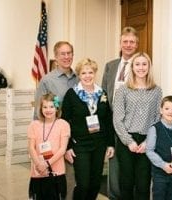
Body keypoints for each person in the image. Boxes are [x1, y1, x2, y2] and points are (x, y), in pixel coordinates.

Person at [61, 58, 115, 200]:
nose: (87, 76)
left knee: (95, 183)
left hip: (99, 144)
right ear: (78, 75)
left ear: (95, 73)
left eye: (90, 72)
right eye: (83, 73)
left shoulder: (102, 93)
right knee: (83, 184)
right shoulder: (71, 94)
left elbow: (108, 120)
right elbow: (64, 122)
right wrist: (67, 147)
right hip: (80, 145)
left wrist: (110, 144)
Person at [113, 52, 162, 200]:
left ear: (149, 67)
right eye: (137, 64)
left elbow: (157, 118)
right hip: (126, 139)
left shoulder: (156, 91)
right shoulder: (123, 90)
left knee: (143, 183)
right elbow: (117, 119)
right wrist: (129, 141)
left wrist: (148, 142)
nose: (141, 68)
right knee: (126, 182)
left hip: (147, 141)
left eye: (144, 64)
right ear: (132, 67)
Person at [101, 26, 139, 200]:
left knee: (131, 165)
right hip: (112, 120)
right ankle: (114, 196)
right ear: (120, 43)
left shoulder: (140, 65)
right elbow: (103, 93)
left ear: (137, 44)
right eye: (125, 41)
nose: (128, 45)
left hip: (132, 123)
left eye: (132, 42)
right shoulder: (110, 65)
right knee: (113, 161)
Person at [28, 93, 70, 200]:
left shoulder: (63, 124)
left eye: (51, 106)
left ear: (57, 108)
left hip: (56, 172)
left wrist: (46, 164)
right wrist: (39, 164)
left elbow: (62, 149)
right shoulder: (34, 125)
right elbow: (31, 147)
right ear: (41, 108)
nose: (48, 110)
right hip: (38, 172)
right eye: (45, 107)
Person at [146, 96, 172, 200]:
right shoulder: (154, 129)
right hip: (160, 174)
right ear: (161, 110)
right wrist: (164, 165)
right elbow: (149, 151)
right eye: (167, 109)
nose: (170, 112)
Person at [34, 41, 77, 119]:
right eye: (63, 54)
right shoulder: (47, 81)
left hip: (77, 128)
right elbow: (38, 111)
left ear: (73, 55)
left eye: (69, 53)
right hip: (55, 128)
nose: (66, 57)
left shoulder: (80, 79)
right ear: (56, 57)